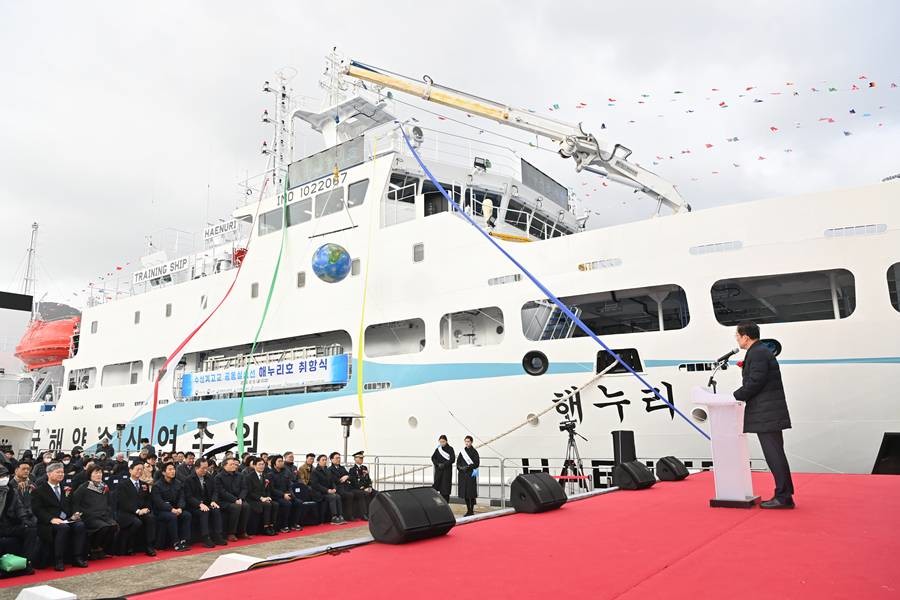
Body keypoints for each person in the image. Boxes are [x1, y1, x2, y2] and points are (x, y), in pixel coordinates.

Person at [733, 322, 795, 509]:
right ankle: (784, 495)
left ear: (745, 336)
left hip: (767, 414)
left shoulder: (758, 353)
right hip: (768, 412)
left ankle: (783, 497)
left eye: (737, 335)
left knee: (774, 455)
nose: (736, 338)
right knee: (775, 454)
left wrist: (734, 396)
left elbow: (756, 382)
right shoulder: (759, 351)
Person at [31, 462, 88, 570]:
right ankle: (58, 560)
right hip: (49, 521)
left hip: (66, 518)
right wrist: (51, 519)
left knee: (80, 525)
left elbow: (73, 504)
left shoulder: (66, 488)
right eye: (58, 472)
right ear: (49, 474)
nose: (61, 474)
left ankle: (77, 557)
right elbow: (38, 509)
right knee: (63, 528)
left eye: (62, 472)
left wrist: (75, 513)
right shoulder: (39, 490)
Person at [72, 465, 119, 559]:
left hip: (103, 515)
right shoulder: (84, 487)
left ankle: (101, 548)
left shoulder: (104, 486)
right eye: (96, 473)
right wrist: (76, 513)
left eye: (100, 473)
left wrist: (108, 511)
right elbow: (75, 501)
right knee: (103, 527)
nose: (99, 475)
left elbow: (109, 502)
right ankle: (93, 548)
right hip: (89, 516)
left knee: (114, 526)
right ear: (90, 474)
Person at [0, 463, 38, 573]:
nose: (4, 479)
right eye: (1, 476)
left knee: (31, 530)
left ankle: (26, 562)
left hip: (8, 525)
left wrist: (25, 520)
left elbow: (19, 508)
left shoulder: (11, 491)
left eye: (6, 476)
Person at [115, 461, 157, 556]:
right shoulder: (123, 485)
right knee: (136, 522)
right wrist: (137, 511)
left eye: (141, 469)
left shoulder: (144, 485)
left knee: (151, 518)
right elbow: (123, 502)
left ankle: (149, 546)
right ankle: (129, 545)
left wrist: (147, 509)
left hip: (141, 511)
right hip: (127, 513)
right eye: (137, 469)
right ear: (130, 470)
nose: (139, 471)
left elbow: (148, 499)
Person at [184, 458, 227, 547]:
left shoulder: (209, 477)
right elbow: (189, 497)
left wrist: (213, 501)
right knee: (204, 512)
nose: (205, 470)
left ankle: (217, 535)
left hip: (207, 503)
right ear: (196, 468)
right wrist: (199, 504)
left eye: (206, 468)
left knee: (216, 509)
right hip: (194, 506)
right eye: (203, 468)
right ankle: (205, 537)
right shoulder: (189, 479)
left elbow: (215, 491)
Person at [151, 463, 191, 551]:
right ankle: (176, 542)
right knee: (171, 516)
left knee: (186, 515)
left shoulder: (178, 483)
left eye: (173, 469)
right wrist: (171, 509)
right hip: (161, 511)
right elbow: (159, 502)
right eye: (170, 469)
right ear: (164, 472)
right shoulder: (157, 485)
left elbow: (182, 498)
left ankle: (184, 540)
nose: (173, 471)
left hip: (176, 508)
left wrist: (180, 508)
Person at [215, 457, 250, 541]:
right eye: (231, 464)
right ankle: (231, 533)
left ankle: (242, 531)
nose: (234, 466)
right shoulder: (219, 477)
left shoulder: (240, 475)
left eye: (235, 464)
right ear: (224, 466)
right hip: (224, 500)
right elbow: (222, 492)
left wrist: (241, 498)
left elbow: (244, 488)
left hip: (238, 499)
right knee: (236, 507)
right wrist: (235, 500)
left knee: (246, 506)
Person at [268, 455, 303, 532]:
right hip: (276, 496)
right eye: (279, 461)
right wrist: (283, 495)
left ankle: (294, 523)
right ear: (274, 463)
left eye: (282, 461)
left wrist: (291, 495)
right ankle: (284, 525)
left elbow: (289, 485)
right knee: (287, 504)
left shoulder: (285, 472)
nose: (281, 463)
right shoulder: (270, 474)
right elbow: (272, 489)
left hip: (286, 494)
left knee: (298, 502)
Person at [328, 452, 367, 521]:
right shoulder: (330, 469)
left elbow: (350, 476)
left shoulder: (342, 468)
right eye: (337, 458)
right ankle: (349, 516)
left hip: (347, 487)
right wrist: (343, 478)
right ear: (331, 459)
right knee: (349, 495)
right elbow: (335, 480)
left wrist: (347, 476)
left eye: (339, 458)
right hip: (338, 488)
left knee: (360, 493)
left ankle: (363, 514)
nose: (338, 459)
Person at [243, 457, 276, 536]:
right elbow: (249, 492)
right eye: (259, 464)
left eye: (263, 464)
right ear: (254, 466)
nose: (262, 466)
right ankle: (265, 527)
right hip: (253, 499)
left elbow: (268, 489)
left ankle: (272, 526)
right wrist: (261, 498)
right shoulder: (249, 477)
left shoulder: (266, 476)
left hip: (263, 498)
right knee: (267, 505)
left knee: (275, 504)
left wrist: (268, 497)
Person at [310, 455, 346, 524]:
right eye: (323, 460)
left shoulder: (327, 470)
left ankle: (340, 515)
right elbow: (316, 485)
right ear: (318, 461)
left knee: (337, 496)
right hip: (319, 493)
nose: (325, 461)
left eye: (326, 460)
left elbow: (332, 481)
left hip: (327, 492)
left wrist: (334, 489)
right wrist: (327, 490)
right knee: (333, 497)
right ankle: (334, 517)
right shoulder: (315, 472)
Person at [456, 436, 480, 516]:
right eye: (466, 441)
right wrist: (461, 467)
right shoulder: (462, 452)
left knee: (471, 492)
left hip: (471, 474)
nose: (467, 443)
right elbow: (458, 462)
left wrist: (468, 467)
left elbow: (477, 463)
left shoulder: (474, 452)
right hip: (463, 474)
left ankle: (471, 510)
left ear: (471, 442)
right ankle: (468, 509)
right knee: (465, 493)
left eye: (468, 441)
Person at [348, 451, 376, 516]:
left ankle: (374, 512)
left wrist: (369, 487)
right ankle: (364, 514)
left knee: (377, 494)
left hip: (366, 487)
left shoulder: (364, 468)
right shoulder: (352, 469)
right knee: (364, 494)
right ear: (355, 459)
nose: (361, 459)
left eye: (362, 458)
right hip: (357, 488)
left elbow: (368, 479)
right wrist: (363, 488)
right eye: (360, 458)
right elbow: (354, 482)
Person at [431, 435, 455, 501]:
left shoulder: (450, 449)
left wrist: (444, 464)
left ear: (446, 441)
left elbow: (452, 459)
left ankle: (446, 503)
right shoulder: (438, 449)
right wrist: (437, 464)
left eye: (443, 441)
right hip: (439, 471)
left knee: (445, 489)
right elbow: (433, 457)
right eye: (440, 442)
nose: (442, 443)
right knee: (437, 487)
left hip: (446, 471)